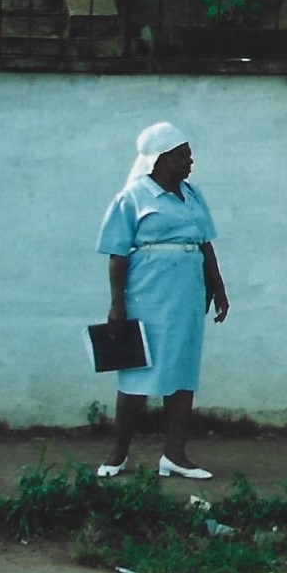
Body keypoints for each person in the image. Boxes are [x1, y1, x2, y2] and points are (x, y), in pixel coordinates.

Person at [95, 122, 229, 479]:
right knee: (139, 370)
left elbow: (205, 243)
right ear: (161, 159)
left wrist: (217, 286)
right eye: (182, 154)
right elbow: (117, 254)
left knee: (183, 369)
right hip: (147, 293)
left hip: (187, 293)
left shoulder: (194, 195)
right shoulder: (133, 197)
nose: (190, 160)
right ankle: (117, 454)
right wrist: (117, 304)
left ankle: (174, 455)